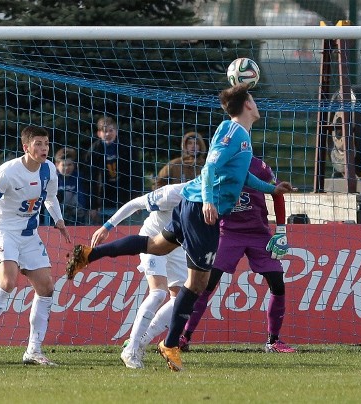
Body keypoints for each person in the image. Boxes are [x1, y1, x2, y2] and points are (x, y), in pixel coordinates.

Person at [66, 84, 295, 371]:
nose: (257, 103)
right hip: (202, 211)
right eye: (253, 98)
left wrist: (272, 188)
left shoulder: (241, 135)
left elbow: (241, 176)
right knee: (197, 284)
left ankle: (90, 255)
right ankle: (171, 344)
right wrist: (210, 201)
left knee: (155, 246)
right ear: (247, 105)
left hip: (193, 205)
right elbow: (211, 166)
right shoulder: (233, 130)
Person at [0, 125, 71, 366]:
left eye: (46, 143)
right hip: (4, 230)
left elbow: (50, 197)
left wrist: (58, 219)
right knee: (8, 282)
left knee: (46, 287)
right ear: (26, 147)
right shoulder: (8, 171)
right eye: (38, 143)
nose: (44, 148)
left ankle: (33, 350)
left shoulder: (48, 169)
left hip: (28, 232)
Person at [180, 156, 296, 353]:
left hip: (259, 233)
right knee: (207, 283)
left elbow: (278, 194)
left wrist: (282, 230)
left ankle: (273, 341)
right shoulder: (218, 164)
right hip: (228, 233)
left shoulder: (260, 167)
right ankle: (184, 336)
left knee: (277, 282)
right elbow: (203, 193)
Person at [88, 182, 188, 368]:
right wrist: (107, 227)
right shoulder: (172, 193)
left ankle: (141, 341)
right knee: (158, 293)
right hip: (151, 239)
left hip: (177, 245)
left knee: (182, 299)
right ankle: (131, 350)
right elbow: (135, 204)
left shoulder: (215, 198)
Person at [84, 116, 142, 224]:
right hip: (104, 193)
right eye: (104, 131)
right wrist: (92, 206)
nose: (108, 134)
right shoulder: (94, 151)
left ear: (116, 131)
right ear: (99, 133)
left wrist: (136, 199)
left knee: (125, 224)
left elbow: (136, 174)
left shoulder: (127, 148)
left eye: (111, 130)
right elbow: (90, 179)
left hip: (123, 189)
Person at [54, 147, 89, 225]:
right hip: (56, 213)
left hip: (76, 213)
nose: (67, 168)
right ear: (57, 165)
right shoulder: (52, 178)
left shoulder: (78, 177)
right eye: (63, 165)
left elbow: (82, 197)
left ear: (74, 165)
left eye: (69, 164)